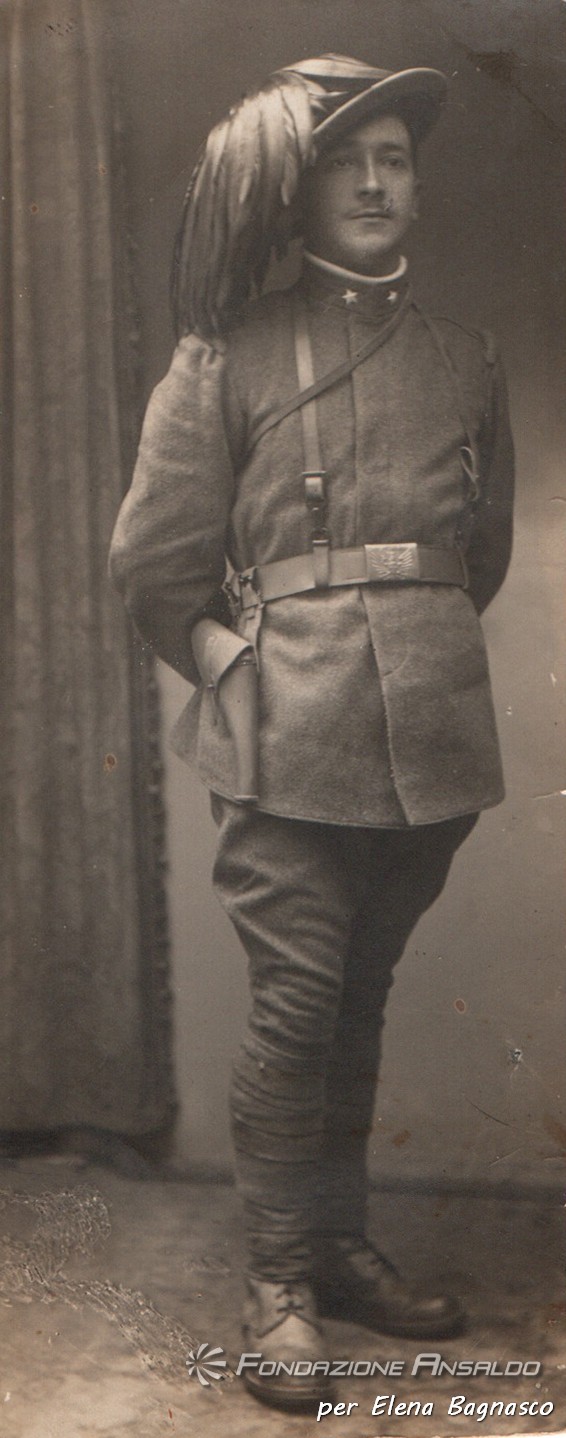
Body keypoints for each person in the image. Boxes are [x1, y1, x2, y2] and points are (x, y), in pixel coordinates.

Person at [109, 53, 514, 1411]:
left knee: (358, 999)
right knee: (295, 1006)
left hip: (427, 739)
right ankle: (278, 1278)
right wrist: (240, 669)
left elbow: (480, 553)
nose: (376, 182)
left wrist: (411, 653)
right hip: (287, 734)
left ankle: (337, 1246)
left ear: (417, 187)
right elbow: (154, 568)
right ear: (297, 191)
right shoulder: (224, 357)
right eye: (347, 161)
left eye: (395, 159)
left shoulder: (465, 358)